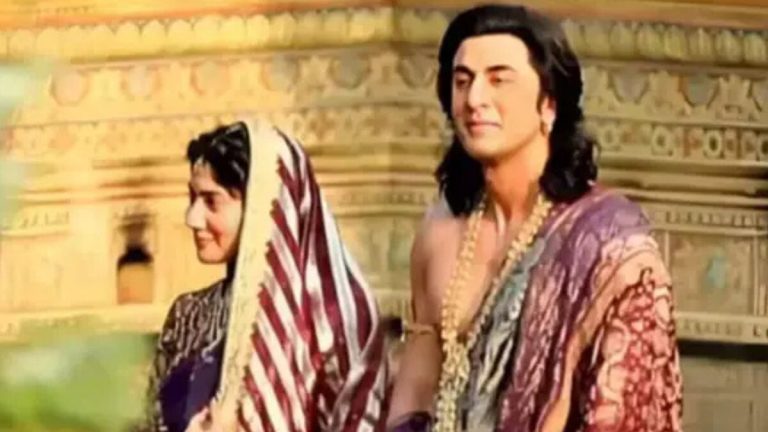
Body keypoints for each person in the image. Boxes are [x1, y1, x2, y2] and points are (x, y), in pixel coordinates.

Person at [387, 5, 682, 432]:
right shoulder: (440, 229)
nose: (474, 99)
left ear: (549, 104)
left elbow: (624, 413)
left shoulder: (610, 249)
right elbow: (415, 389)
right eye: (462, 81)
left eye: (499, 79)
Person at [140, 120, 388, 431]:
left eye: (211, 201)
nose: (192, 218)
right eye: (192, 198)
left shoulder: (338, 323)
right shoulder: (189, 316)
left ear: (264, 205)